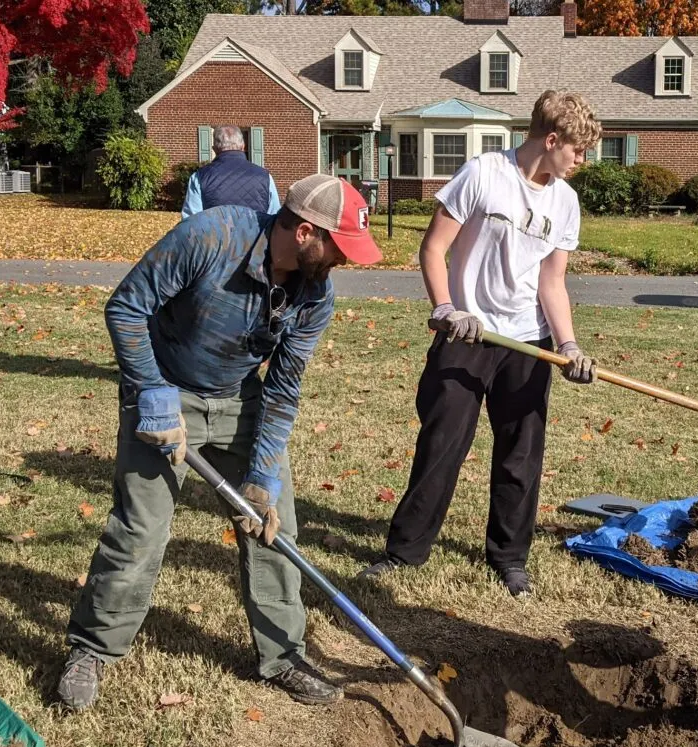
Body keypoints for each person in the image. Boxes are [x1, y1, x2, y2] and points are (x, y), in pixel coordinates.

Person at [58, 175, 382, 711]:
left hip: (240, 401)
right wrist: (151, 392)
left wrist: (263, 473)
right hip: (164, 392)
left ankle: (283, 656)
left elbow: (283, 384)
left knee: (274, 527)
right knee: (140, 530)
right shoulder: (210, 237)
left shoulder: (314, 292)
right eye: (339, 249)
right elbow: (126, 308)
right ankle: (92, 648)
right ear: (305, 232)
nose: (342, 263)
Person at [357, 90, 602, 598]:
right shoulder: (485, 173)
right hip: (465, 334)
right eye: (578, 150)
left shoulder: (565, 201)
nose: (583, 160)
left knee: (521, 453)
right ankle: (404, 553)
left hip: (528, 342)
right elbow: (433, 248)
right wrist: (447, 308)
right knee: (441, 446)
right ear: (551, 139)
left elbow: (552, 283)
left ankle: (510, 558)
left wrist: (569, 345)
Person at [181, 125, 281, 219]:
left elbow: (190, 222)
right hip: (258, 237)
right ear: (243, 146)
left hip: (214, 237)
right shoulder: (265, 177)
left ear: (215, 149)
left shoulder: (199, 177)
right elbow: (275, 219)